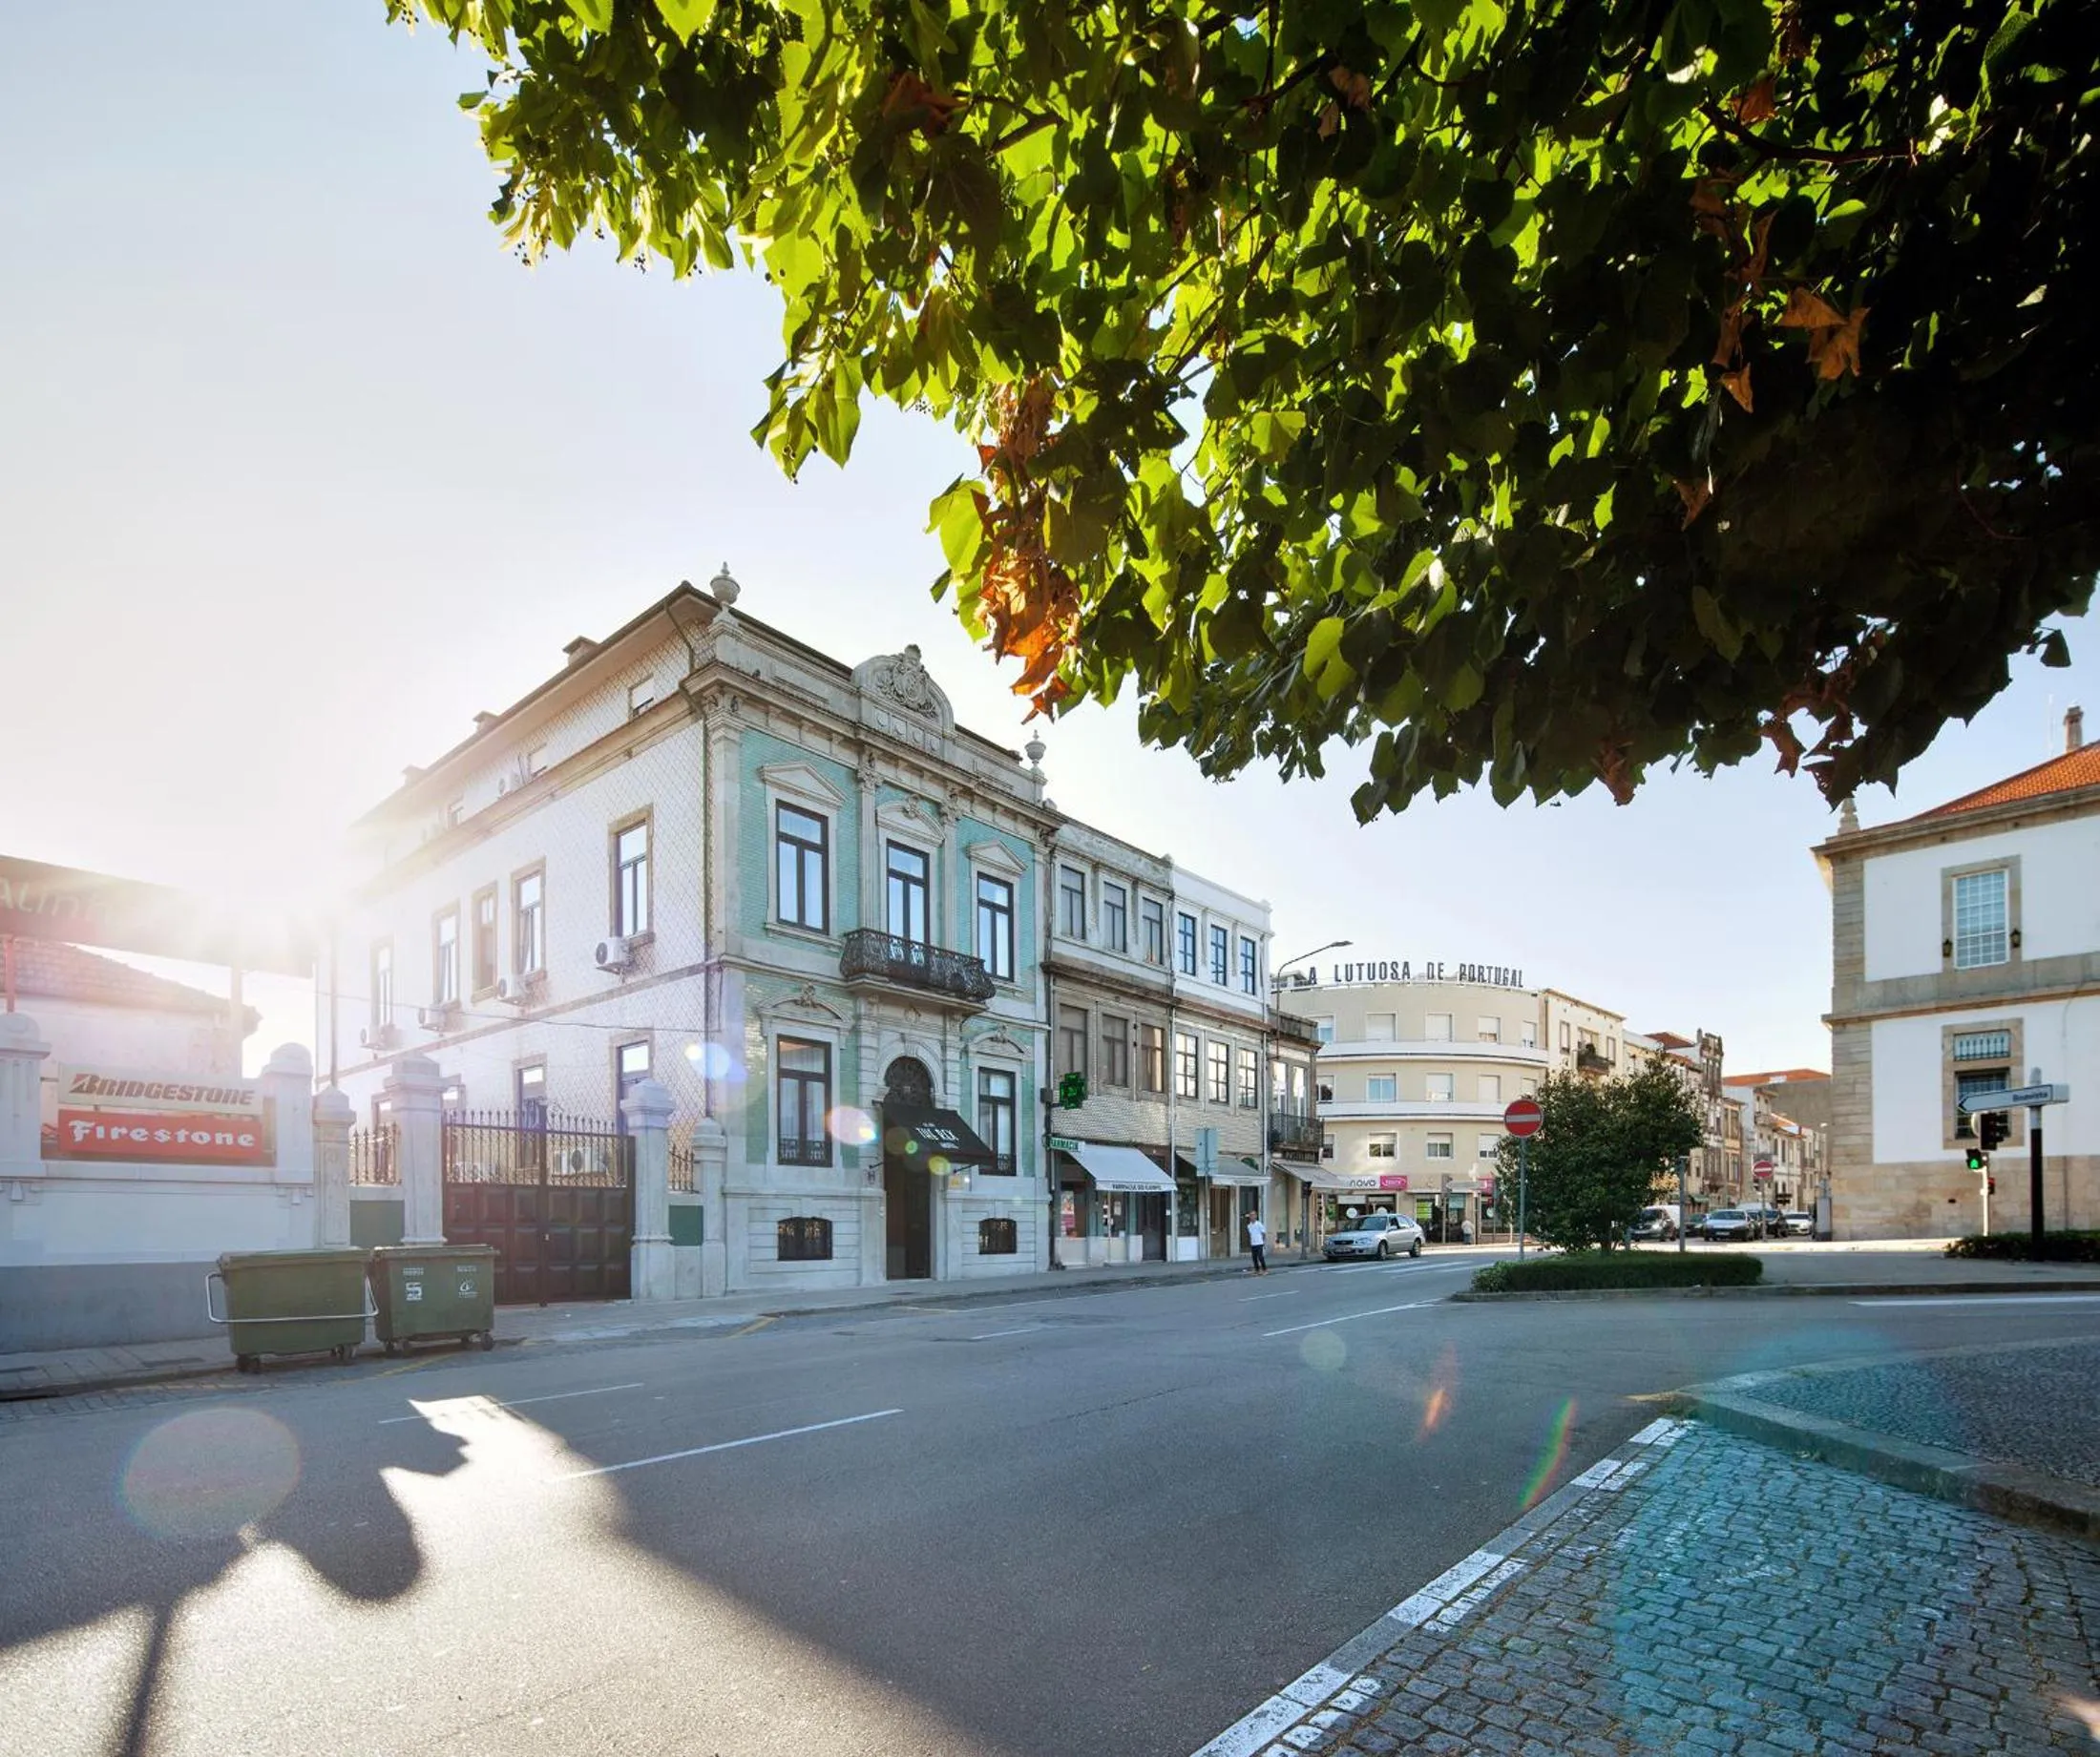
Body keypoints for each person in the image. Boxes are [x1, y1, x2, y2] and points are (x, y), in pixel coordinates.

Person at [1246, 1211, 1268, 1275]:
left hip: (1259, 1243)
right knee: (1254, 1257)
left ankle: (1265, 1269)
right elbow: (1250, 1234)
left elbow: (1263, 1233)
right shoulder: (1249, 1225)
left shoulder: (1259, 1224)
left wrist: (1263, 1241)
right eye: (1251, 1215)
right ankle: (1257, 1270)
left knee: (1260, 1257)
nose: (1252, 1217)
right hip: (1253, 1243)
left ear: (1256, 1216)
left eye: (1253, 1215)